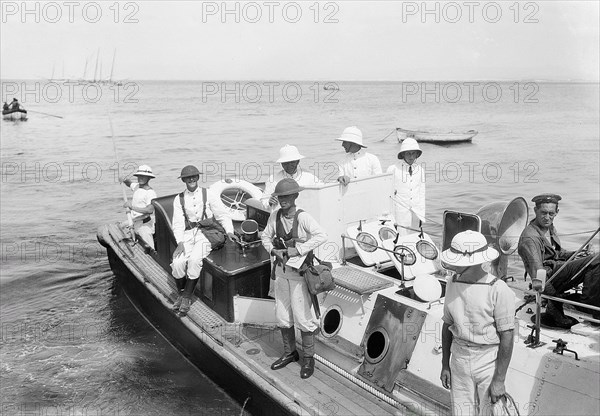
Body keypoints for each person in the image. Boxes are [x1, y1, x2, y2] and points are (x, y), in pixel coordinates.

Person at [440, 230, 516, 416]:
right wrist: (445, 364)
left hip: (488, 360)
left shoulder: (498, 289)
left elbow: (507, 334)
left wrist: (499, 379)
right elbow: (447, 325)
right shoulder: (451, 282)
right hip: (459, 358)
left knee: (492, 412)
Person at [261, 178, 327, 379]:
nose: (283, 200)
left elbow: (321, 235)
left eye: (287, 196)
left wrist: (298, 249)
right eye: (280, 196)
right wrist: (273, 250)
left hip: (299, 275)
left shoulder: (303, 216)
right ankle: (290, 353)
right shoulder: (274, 217)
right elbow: (265, 237)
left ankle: (308, 359)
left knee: (302, 316)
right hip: (281, 273)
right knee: (282, 314)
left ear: (296, 196)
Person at [518, 194, 599, 327]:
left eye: (551, 213)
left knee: (593, 259)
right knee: (597, 259)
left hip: (557, 269)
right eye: (543, 213)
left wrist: (579, 254)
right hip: (549, 277)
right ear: (535, 211)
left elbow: (556, 253)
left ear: (557, 212)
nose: (547, 217)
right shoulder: (530, 238)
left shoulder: (549, 227)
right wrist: (555, 301)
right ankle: (589, 305)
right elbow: (538, 275)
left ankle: (588, 302)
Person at [171, 165, 237, 316]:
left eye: (194, 176)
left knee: (194, 260)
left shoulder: (209, 194)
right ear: (184, 180)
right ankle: (181, 294)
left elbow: (222, 215)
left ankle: (186, 298)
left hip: (207, 234)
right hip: (188, 235)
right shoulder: (178, 199)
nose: (191, 179)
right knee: (178, 262)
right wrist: (180, 242)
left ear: (198, 178)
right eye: (188, 178)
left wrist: (229, 231)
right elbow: (178, 224)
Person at [260, 144, 322, 211]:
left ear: (298, 161)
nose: (289, 165)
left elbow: (323, 189)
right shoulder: (273, 179)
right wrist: (269, 202)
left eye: (292, 162)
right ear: (281, 164)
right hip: (279, 217)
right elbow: (263, 203)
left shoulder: (309, 178)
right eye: (286, 163)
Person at [387, 138, 425, 235]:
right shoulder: (393, 169)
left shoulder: (420, 170)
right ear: (403, 154)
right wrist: (389, 218)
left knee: (414, 241)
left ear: (417, 154)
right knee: (399, 242)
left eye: (413, 153)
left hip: (416, 215)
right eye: (408, 153)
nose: (411, 157)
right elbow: (387, 195)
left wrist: (422, 216)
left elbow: (421, 194)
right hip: (399, 215)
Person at [121, 165, 157, 249]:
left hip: (145, 224)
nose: (140, 178)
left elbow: (150, 210)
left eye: (143, 177)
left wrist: (131, 207)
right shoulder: (137, 186)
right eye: (139, 176)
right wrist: (123, 179)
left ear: (149, 178)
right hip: (135, 221)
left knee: (149, 248)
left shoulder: (150, 193)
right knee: (121, 227)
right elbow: (129, 183)